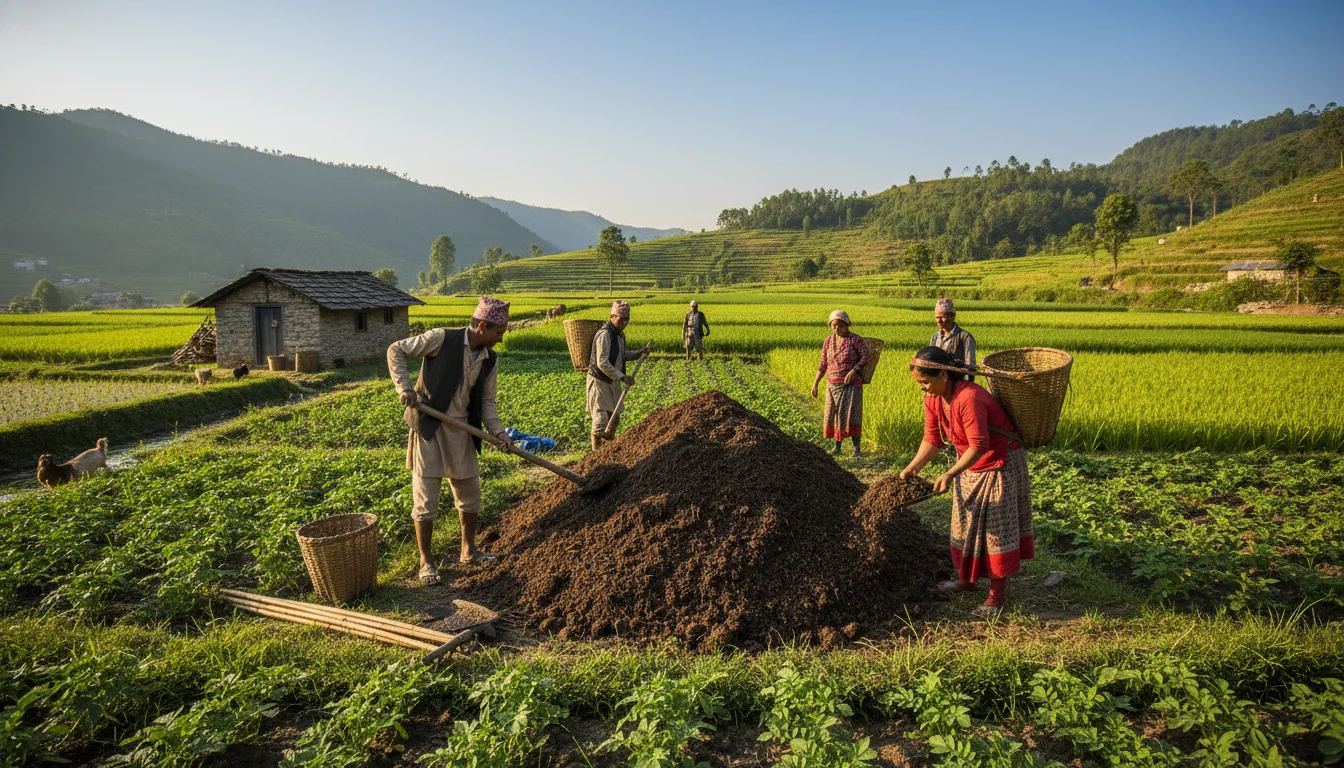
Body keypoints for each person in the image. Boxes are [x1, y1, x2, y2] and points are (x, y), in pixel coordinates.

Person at [387, 296, 516, 586]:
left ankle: (469, 551)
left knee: (470, 495)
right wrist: (404, 387)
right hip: (429, 427)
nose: (500, 339)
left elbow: (487, 403)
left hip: (462, 431)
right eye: (498, 333)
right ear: (482, 326)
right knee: (426, 501)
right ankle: (426, 562)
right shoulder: (441, 339)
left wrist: (500, 434)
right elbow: (395, 350)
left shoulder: (489, 359)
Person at [898, 346, 1033, 618]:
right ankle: (966, 580)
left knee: (995, 531)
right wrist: (912, 468)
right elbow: (932, 439)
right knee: (965, 524)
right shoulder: (934, 400)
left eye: (925, 381)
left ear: (945, 375)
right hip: (969, 465)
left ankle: (996, 597)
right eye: (919, 383)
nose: (922, 388)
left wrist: (950, 473)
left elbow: (980, 445)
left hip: (998, 464)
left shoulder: (969, 398)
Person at [587, 300, 650, 451]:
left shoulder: (620, 335)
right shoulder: (604, 335)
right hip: (600, 381)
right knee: (601, 421)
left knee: (613, 420)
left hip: (613, 381)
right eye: (621, 319)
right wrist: (622, 377)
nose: (624, 322)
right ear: (612, 317)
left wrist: (639, 353)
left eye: (627, 319)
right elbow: (602, 363)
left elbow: (622, 355)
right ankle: (596, 455)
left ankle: (609, 452)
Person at [810, 309, 870, 457]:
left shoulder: (855, 340)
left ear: (847, 325)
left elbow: (865, 356)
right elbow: (823, 363)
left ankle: (856, 449)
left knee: (852, 415)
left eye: (840, 325)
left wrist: (854, 371)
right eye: (833, 325)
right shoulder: (828, 341)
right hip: (832, 384)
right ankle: (837, 446)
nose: (836, 329)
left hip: (850, 385)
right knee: (834, 414)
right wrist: (816, 383)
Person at [931, 298, 976, 373]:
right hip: (938, 382)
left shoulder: (965, 337)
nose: (939, 321)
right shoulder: (935, 337)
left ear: (953, 316)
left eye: (943, 317)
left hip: (958, 381)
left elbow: (971, 367)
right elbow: (930, 361)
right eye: (937, 317)